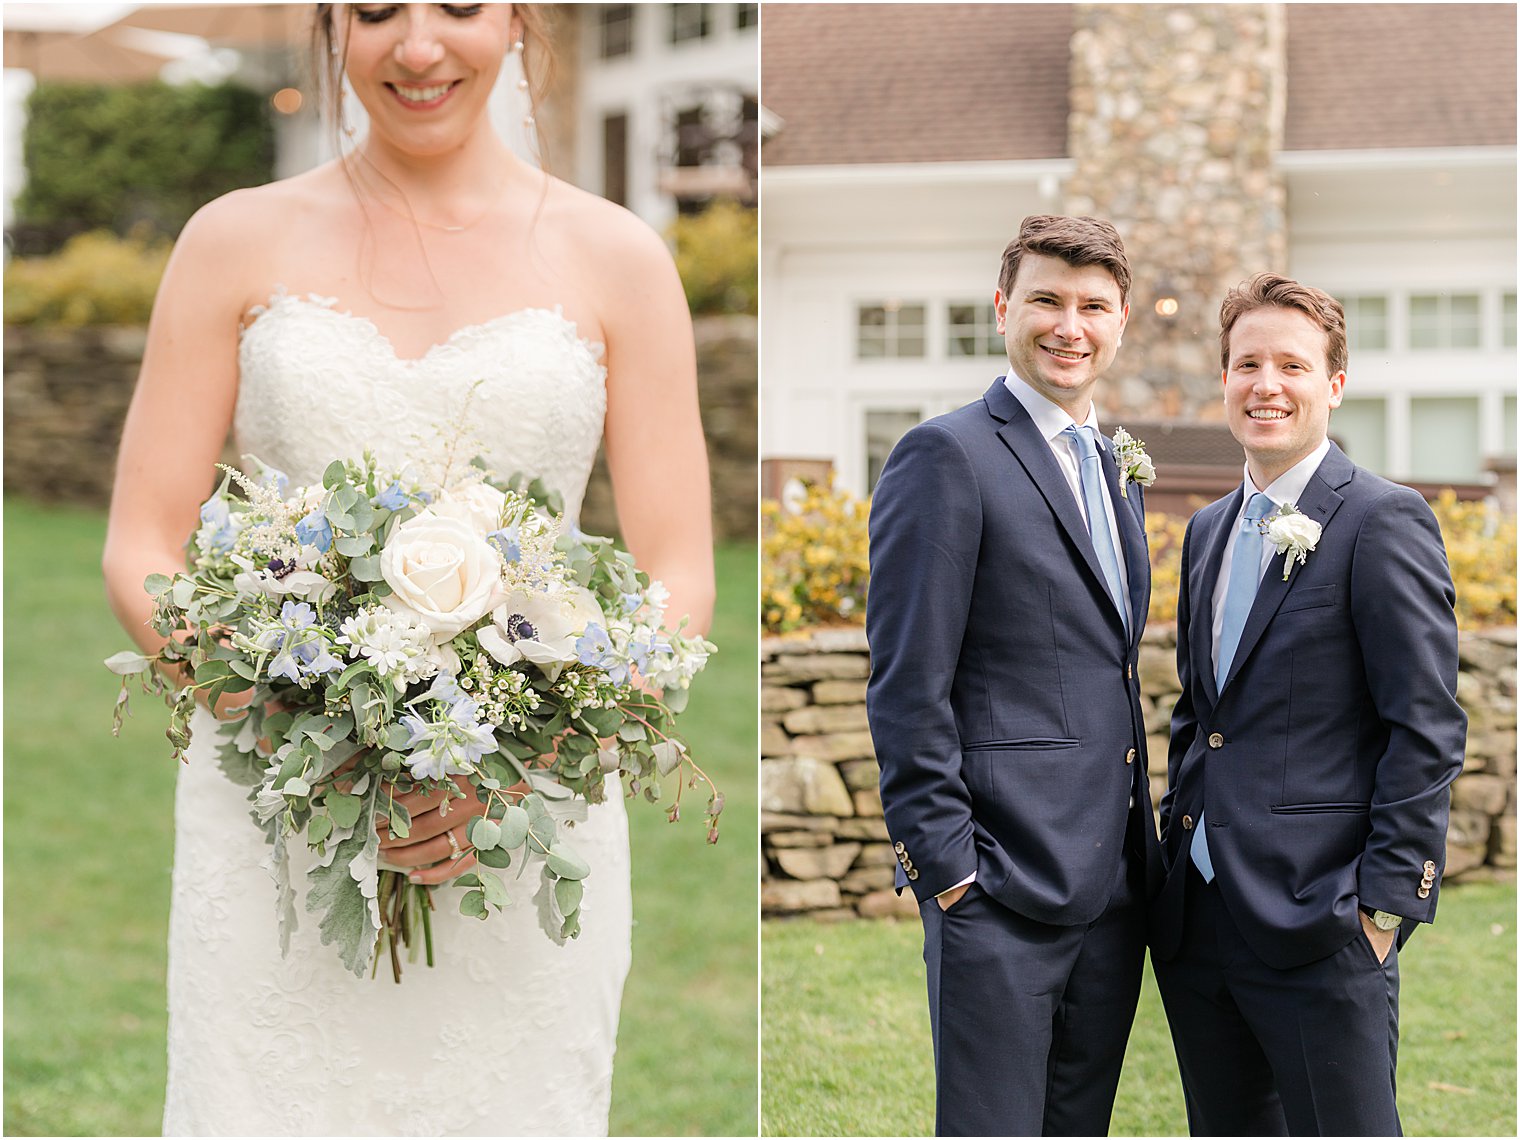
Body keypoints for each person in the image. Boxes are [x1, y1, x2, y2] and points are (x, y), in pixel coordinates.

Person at [101, 4, 713, 1135]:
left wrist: (515, 763)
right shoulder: (232, 238)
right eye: (377, 9)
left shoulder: (617, 255)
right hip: (277, 821)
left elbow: (678, 569)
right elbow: (142, 543)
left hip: (524, 823)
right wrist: (301, 736)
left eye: (459, 6)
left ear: (519, 19)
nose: (417, 47)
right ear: (333, 26)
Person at [865, 214, 1161, 1136]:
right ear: (1002, 308)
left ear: (1120, 324)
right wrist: (948, 869)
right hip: (996, 882)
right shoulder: (945, 456)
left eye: (1093, 307)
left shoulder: (1115, 465)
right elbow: (907, 681)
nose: (1069, 325)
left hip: (1114, 886)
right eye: (1046, 300)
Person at [1150, 274, 1466, 1136]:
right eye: (1246, 363)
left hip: (1325, 924)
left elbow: (1427, 725)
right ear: (1224, 381)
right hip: (1201, 925)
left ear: (1332, 384)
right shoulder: (1209, 531)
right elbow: (1201, 713)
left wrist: (1383, 905)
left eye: (1292, 364)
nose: (1266, 385)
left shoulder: (1383, 520)